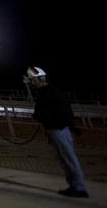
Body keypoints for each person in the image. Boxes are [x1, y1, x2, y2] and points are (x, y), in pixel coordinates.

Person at [26, 66, 89, 198]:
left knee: (68, 157)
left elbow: (63, 111)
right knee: (63, 159)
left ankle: (79, 187)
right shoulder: (44, 93)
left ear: (41, 79)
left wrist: (52, 122)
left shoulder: (52, 93)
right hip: (54, 129)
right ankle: (73, 185)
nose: (31, 83)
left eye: (33, 80)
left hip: (59, 129)